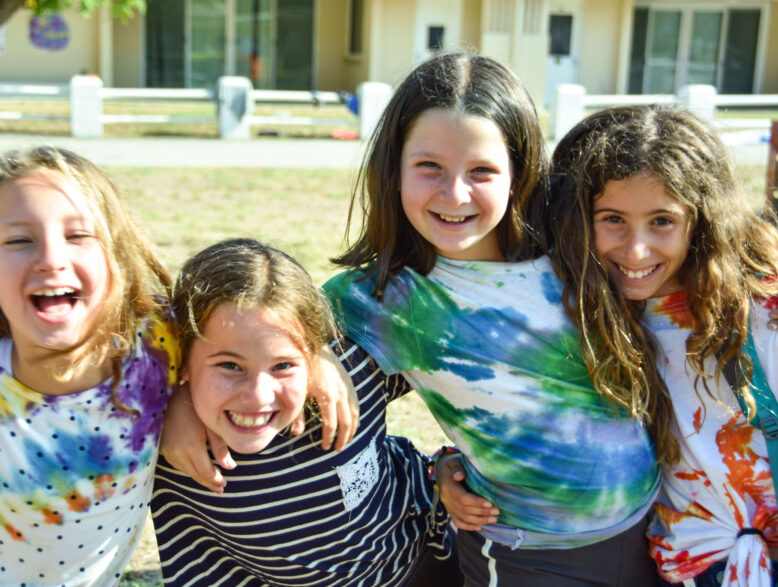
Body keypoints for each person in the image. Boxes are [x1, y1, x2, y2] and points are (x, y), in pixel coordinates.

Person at [322, 52, 665, 586]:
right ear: (393, 171)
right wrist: (436, 469)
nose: (454, 193)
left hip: (655, 527)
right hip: (528, 554)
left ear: (519, 172)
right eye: (429, 167)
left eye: (481, 170)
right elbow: (260, 349)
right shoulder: (381, 298)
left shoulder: (577, 249)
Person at [539, 104, 778, 586]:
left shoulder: (762, 307)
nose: (636, 250)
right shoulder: (576, 312)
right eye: (612, 219)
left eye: (662, 221)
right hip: (683, 564)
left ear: (703, 218)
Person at [151, 238, 461, 586]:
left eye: (282, 365)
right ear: (180, 357)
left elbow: (489, 395)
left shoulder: (347, 380)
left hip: (429, 564)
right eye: (229, 366)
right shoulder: (143, 426)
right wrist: (169, 407)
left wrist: (447, 465)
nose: (257, 396)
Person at [0, 146, 179, 585]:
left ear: (117, 255)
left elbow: (258, 329)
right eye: (18, 240)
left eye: (78, 235)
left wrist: (321, 360)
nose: (50, 259)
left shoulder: (160, 348)